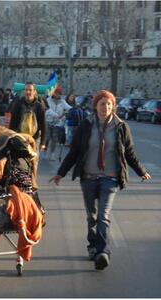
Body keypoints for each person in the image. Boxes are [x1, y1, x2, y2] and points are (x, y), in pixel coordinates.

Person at [50, 90, 151, 271]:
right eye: (102, 104)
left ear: (114, 107)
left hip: (110, 178)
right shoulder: (86, 125)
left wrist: (141, 171)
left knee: (104, 217)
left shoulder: (121, 127)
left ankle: (103, 252)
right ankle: (92, 245)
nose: (106, 107)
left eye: (109, 104)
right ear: (95, 106)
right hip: (88, 177)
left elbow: (129, 152)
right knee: (92, 216)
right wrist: (61, 173)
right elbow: (74, 152)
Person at [9, 82, 47, 152]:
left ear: (34, 91)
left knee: (33, 160)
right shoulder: (18, 104)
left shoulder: (39, 106)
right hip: (20, 137)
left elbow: (43, 125)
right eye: (26, 90)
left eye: (30, 90)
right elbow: (13, 121)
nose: (28, 92)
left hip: (34, 138)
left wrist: (43, 143)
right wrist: (10, 137)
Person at [44, 89, 71, 161]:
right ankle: (46, 151)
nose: (57, 95)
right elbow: (47, 110)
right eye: (56, 93)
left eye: (59, 94)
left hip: (57, 123)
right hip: (48, 121)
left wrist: (74, 109)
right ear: (54, 93)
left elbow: (69, 108)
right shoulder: (48, 100)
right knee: (47, 138)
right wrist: (56, 115)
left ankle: (52, 154)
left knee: (54, 139)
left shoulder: (62, 102)